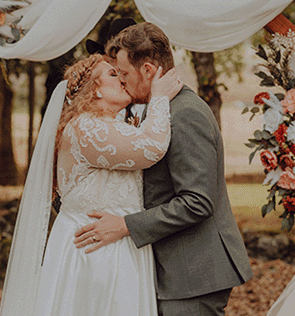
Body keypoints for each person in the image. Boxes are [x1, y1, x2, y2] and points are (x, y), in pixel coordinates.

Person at [74, 22, 254, 315]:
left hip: (194, 273)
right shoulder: (162, 109)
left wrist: (124, 225)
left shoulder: (185, 115)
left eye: (124, 74)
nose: (122, 82)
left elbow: (197, 202)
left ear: (147, 70)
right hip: (177, 268)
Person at [0, 53, 182, 316]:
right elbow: (152, 147)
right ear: (94, 90)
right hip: (94, 252)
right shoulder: (87, 128)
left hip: (113, 242)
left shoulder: (105, 125)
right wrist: (160, 99)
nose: (121, 78)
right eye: (112, 74)